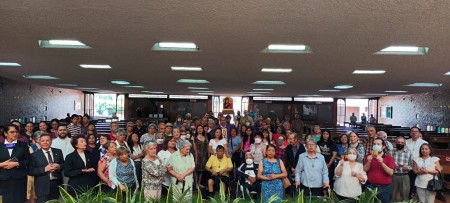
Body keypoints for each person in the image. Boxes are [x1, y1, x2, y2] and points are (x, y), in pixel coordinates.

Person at [29, 133, 64, 203]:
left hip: (56, 185)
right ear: (39, 142)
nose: (45, 142)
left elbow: (64, 165)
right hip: (42, 186)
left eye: (47, 140)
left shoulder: (58, 151)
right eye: (43, 141)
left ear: (51, 141)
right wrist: (45, 169)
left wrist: (58, 166)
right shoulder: (34, 155)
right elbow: (31, 171)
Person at [0, 124, 31, 203]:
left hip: (19, 179)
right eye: (12, 132)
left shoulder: (23, 145)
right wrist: (1, 164)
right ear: (5, 133)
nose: (15, 134)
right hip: (4, 179)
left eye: (16, 132)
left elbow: (29, 161)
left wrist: (17, 164)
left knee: (20, 200)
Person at [363, 138, 394, 203]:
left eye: (378, 144)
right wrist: (369, 161)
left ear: (383, 146)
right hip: (370, 186)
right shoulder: (369, 156)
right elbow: (365, 169)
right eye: (374, 144)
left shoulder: (389, 157)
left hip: (384, 188)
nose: (376, 145)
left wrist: (382, 163)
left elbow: (391, 172)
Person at [405, 127, 428, 198]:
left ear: (419, 133)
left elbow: (426, 155)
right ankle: (410, 197)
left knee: (419, 184)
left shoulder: (424, 143)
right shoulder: (406, 142)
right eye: (412, 131)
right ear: (410, 133)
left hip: (419, 167)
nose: (414, 133)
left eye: (416, 131)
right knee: (410, 184)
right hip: (408, 166)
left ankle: (418, 198)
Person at [389, 136, 412, 202]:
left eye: (402, 142)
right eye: (398, 142)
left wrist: (407, 167)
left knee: (405, 196)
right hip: (393, 176)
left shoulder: (409, 152)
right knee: (392, 195)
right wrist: (393, 166)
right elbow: (387, 164)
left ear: (405, 144)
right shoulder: (391, 152)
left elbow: (412, 166)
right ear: (395, 143)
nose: (400, 144)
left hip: (404, 176)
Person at [193, 125, 208, 189]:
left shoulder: (205, 137)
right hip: (197, 155)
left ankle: (199, 183)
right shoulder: (194, 137)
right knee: (196, 170)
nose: (200, 129)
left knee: (201, 170)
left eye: (201, 128)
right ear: (196, 130)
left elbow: (207, 146)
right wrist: (196, 157)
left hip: (204, 155)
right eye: (198, 128)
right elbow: (194, 148)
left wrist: (208, 155)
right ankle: (196, 184)